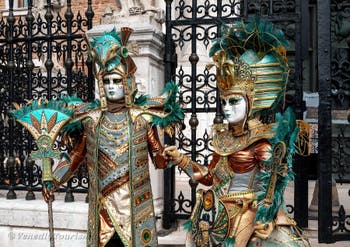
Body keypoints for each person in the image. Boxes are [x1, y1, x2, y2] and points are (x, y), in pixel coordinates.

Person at [163, 18, 310, 247]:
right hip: (217, 213)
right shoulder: (223, 139)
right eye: (223, 101)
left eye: (234, 101)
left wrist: (266, 216)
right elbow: (209, 177)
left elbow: (270, 188)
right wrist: (180, 159)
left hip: (247, 214)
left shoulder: (261, 143)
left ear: (251, 101)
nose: (227, 108)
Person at [44, 27, 183, 247]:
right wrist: (53, 179)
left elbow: (157, 157)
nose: (111, 87)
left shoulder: (141, 119)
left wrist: (169, 156)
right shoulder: (92, 120)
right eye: (106, 81)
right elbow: (76, 156)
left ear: (127, 83)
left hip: (135, 210)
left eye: (116, 81)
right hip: (103, 209)